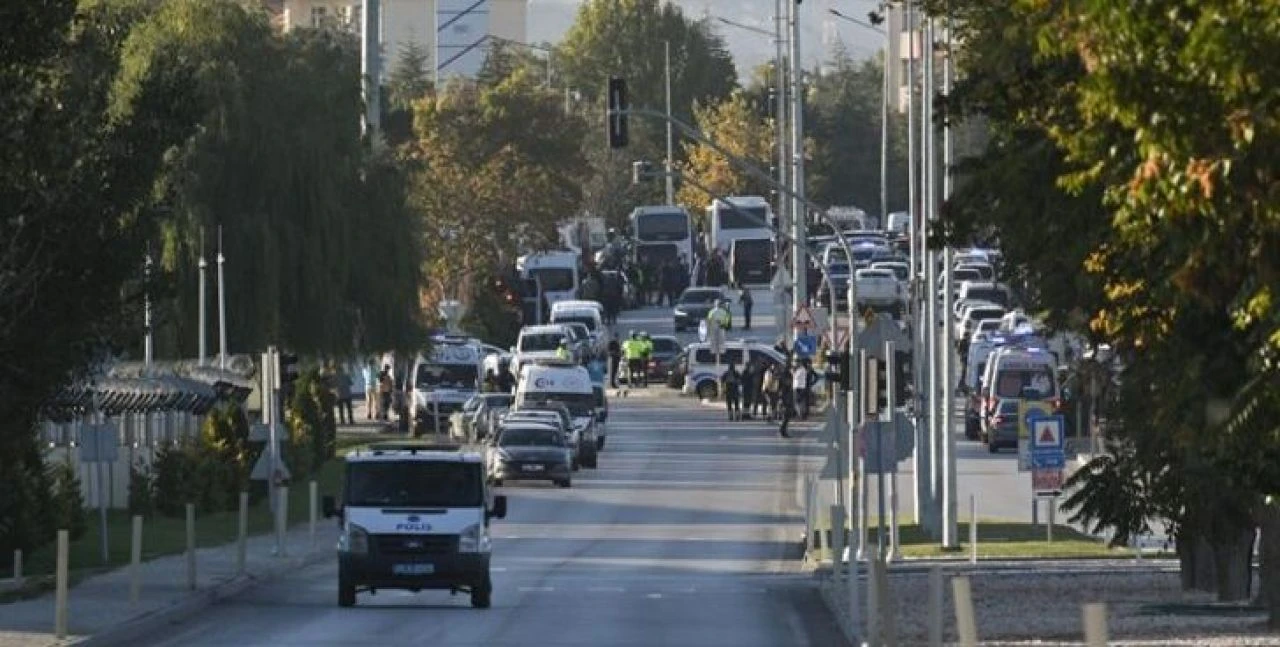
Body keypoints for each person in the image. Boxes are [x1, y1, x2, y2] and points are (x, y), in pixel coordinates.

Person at [777, 361, 794, 437]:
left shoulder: (784, 374)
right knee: (786, 415)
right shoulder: (786, 374)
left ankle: (783, 430)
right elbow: (786, 384)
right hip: (785, 397)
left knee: (787, 415)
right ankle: (782, 430)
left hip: (786, 396)